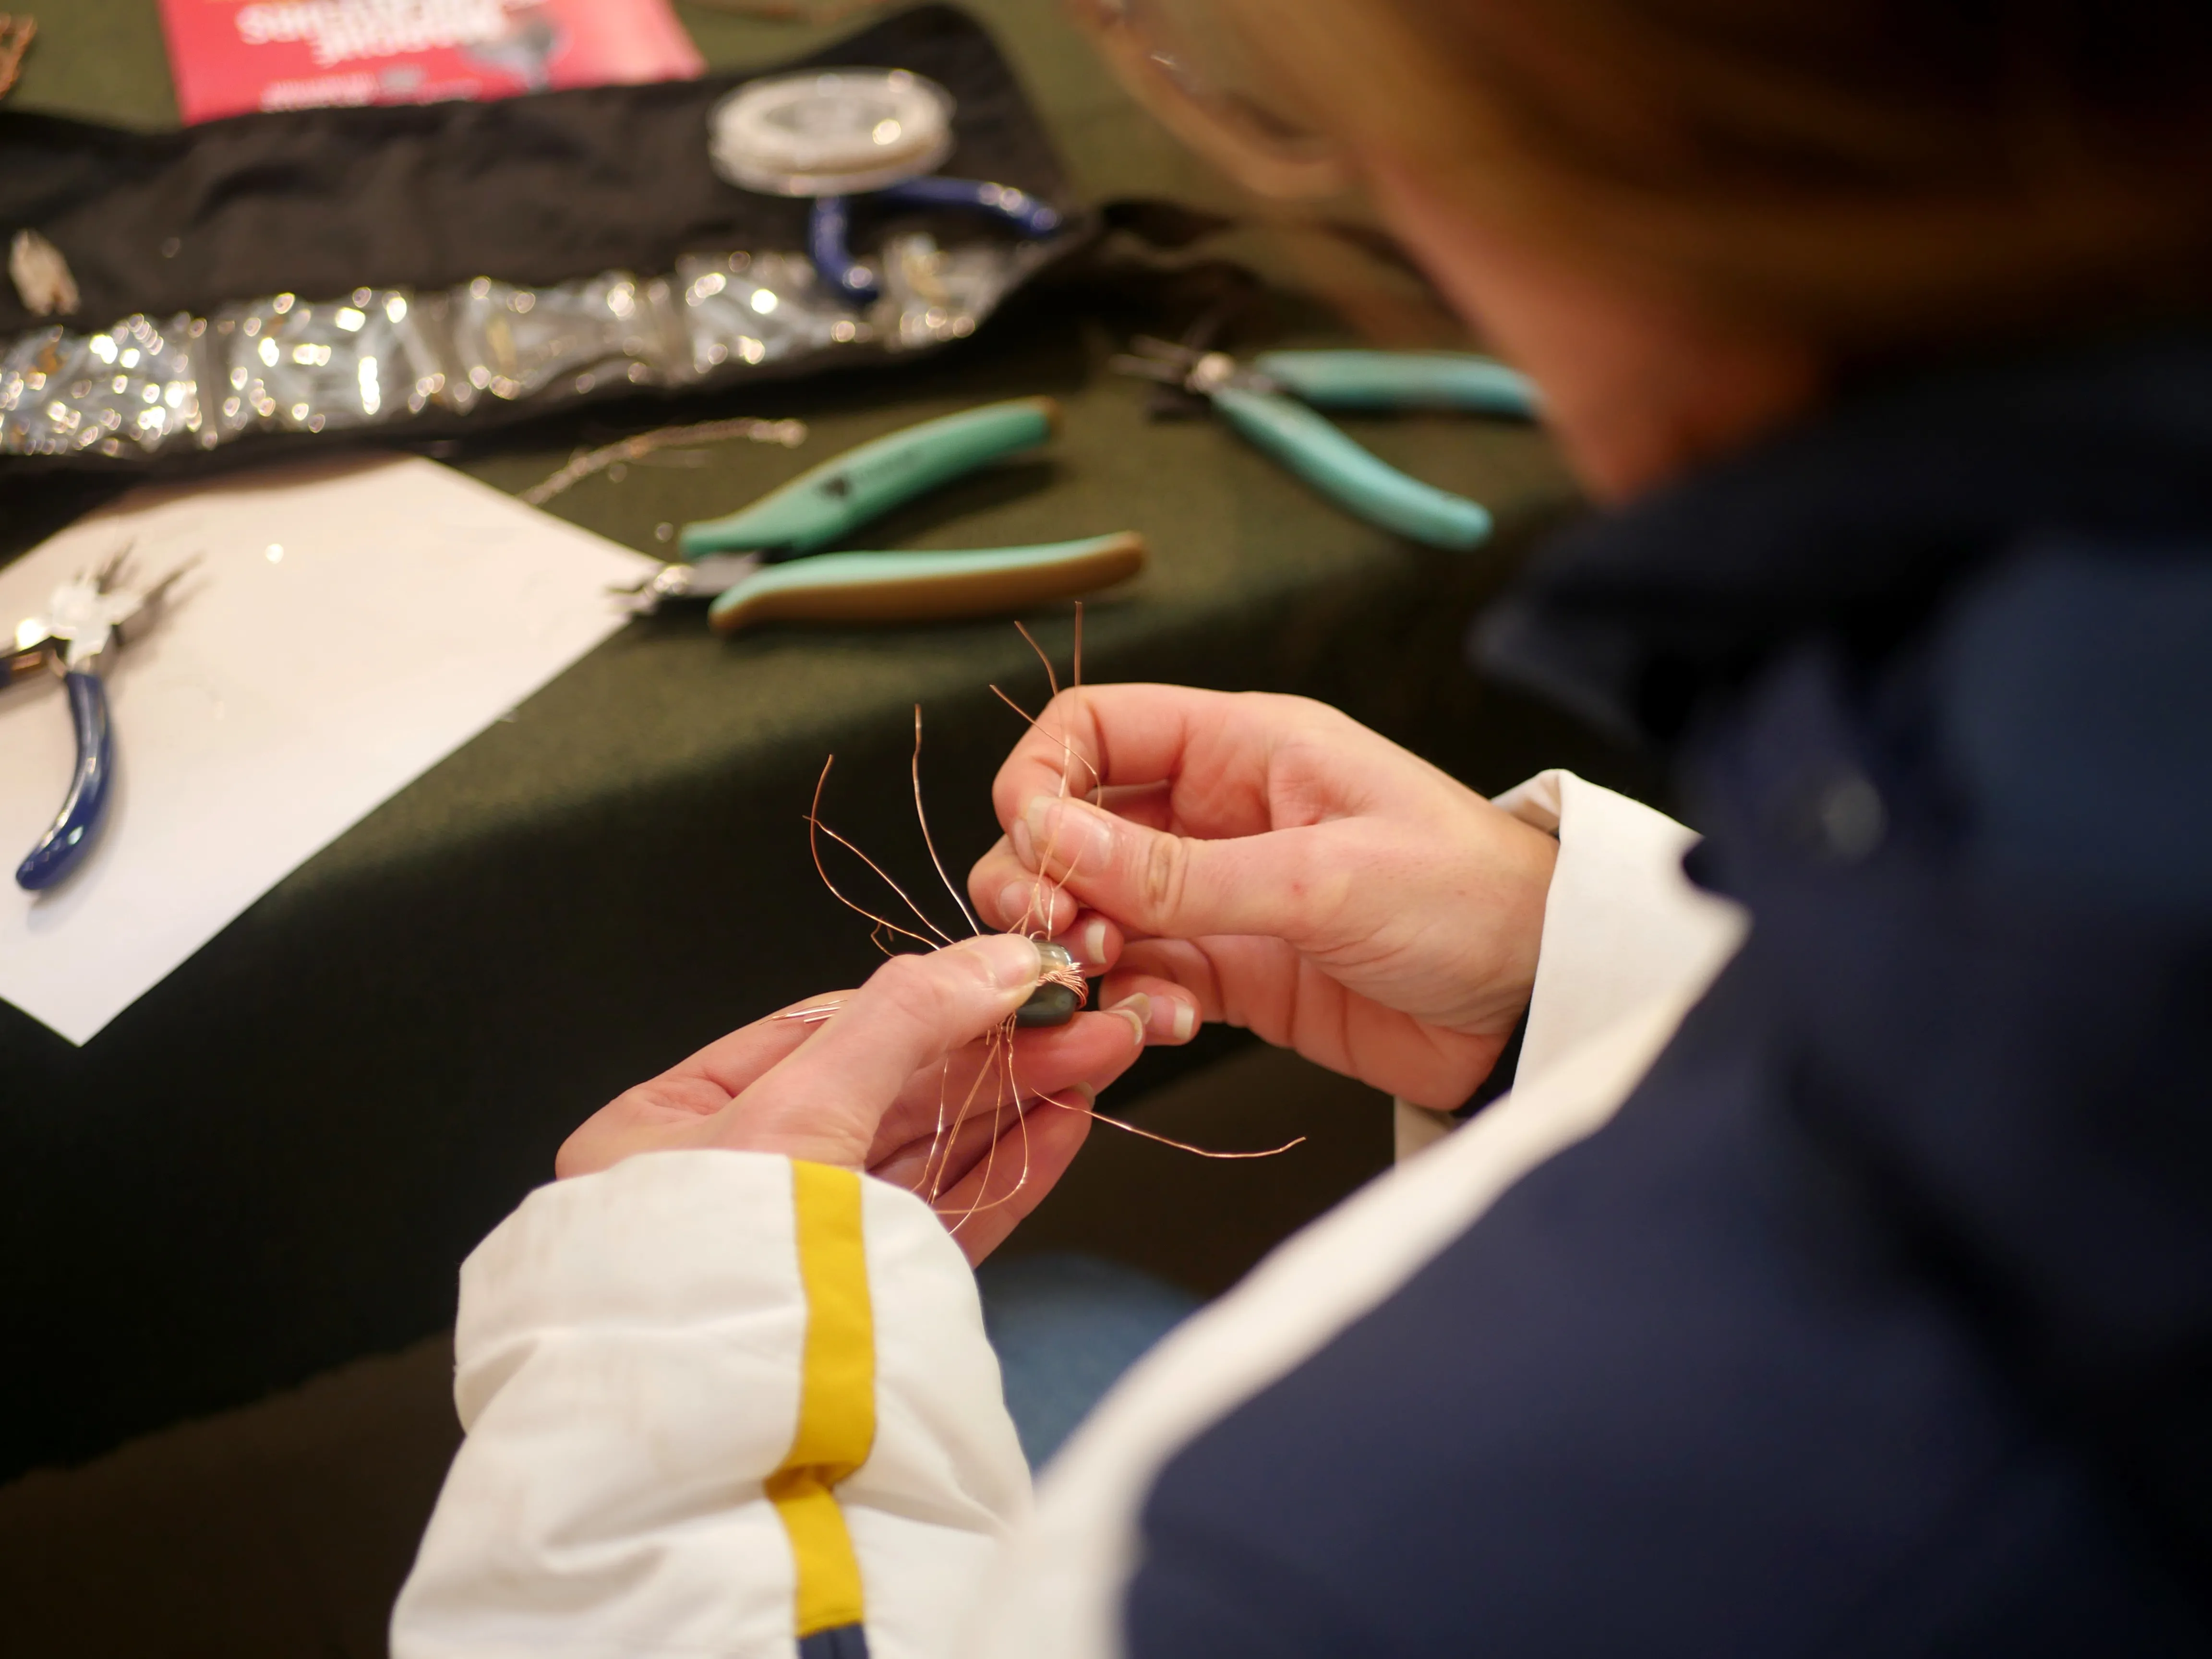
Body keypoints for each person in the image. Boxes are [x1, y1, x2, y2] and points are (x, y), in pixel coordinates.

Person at [393, 1, 2212, 1653]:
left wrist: (654, 1332)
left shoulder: (1312, 1566)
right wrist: (1562, 975)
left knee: (1052, 1342)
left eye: (1277, 99)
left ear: (1559, 104)